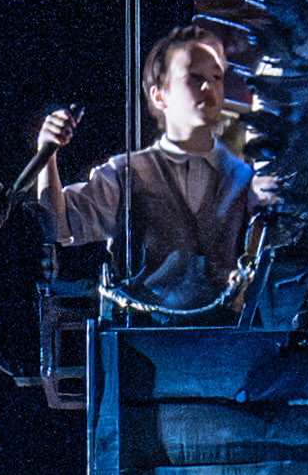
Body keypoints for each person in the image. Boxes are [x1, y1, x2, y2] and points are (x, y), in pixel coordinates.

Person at [37, 26, 263, 313]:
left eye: (215, 78)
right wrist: (47, 152)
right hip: (142, 340)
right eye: (193, 77)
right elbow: (58, 227)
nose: (208, 88)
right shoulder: (127, 174)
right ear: (159, 96)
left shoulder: (242, 178)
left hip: (226, 339)